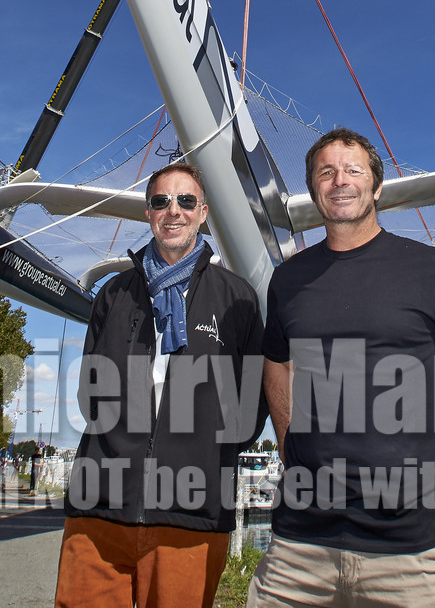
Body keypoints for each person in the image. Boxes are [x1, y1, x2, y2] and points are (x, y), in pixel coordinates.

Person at [250, 129, 435, 608]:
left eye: (353, 170)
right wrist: (289, 449)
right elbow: (277, 365)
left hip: (413, 552)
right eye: (326, 172)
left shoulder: (433, 270)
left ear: (377, 187)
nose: (340, 181)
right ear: (313, 188)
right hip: (299, 549)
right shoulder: (288, 280)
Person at [54, 162, 266, 608]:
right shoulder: (114, 294)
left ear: (203, 212)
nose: (174, 210)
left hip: (190, 514)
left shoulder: (237, 298)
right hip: (101, 507)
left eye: (186, 201)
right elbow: (90, 391)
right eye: (161, 201)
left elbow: (252, 403)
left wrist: (205, 450)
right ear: (148, 213)